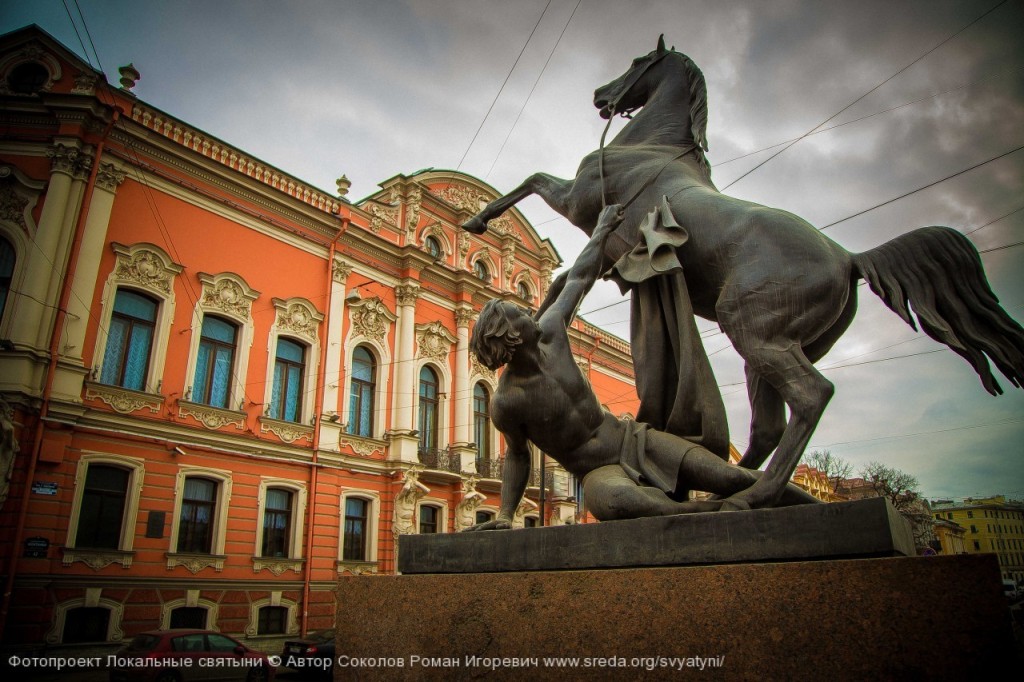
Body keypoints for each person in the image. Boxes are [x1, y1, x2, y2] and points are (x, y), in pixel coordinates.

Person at [466, 204, 818, 530]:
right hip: (596, 472)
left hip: (632, 440)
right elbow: (516, 455)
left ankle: (823, 513)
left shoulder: (553, 333)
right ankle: (710, 516)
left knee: (732, 478)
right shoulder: (507, 402)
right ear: (509, 334)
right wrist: (506, 514)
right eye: (518, 313)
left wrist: (603, 230)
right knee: (617, 503)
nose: (529, 310)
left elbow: (578, 279)